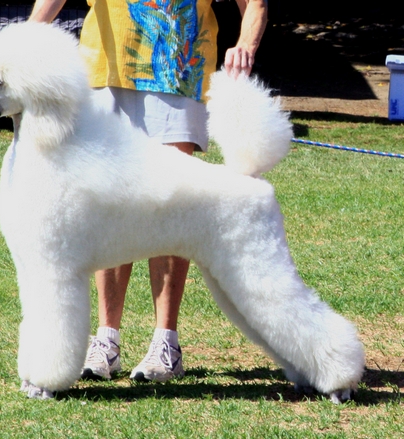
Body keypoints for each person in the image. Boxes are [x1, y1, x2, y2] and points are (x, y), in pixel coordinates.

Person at [29, 0, 267, 382]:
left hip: (179, 71)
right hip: (104, 71)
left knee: (172, 205)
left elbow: (254, 3)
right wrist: (27, 35)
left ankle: (166, 344)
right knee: (108, 205)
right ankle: (106, 341)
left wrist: (245, 44)